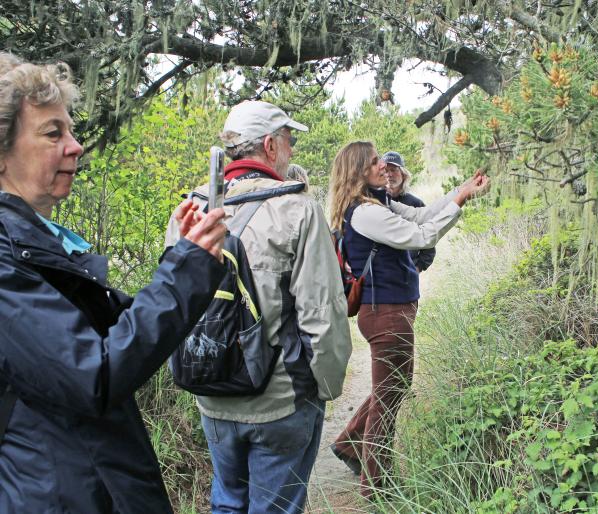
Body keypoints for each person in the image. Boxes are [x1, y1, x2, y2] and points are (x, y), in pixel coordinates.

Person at [0, 53, 227, 513]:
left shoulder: (40, 240)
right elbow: (95, 373)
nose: (76, 145)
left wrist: (179, 257)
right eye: (52, 133)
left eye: (70, 129)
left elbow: (110, 335)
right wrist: (185, 270)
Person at [165, 100, 352, 514]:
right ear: (269, 146)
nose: (292, 150)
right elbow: (323, 313)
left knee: (227, 503)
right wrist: (325, 386)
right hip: (280, 399)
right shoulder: (298, 210)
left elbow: (172, 304)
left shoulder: (189, 210)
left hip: (210, 393)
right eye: (289, 140)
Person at [327, 141, 489, 499]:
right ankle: (378, 488)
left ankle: (349, 444)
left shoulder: (377, 203)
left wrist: (460, 191)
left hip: (391, 308)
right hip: (384, 312)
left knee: (394, 387)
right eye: (374, 162)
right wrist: (460, 203)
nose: (383, 165)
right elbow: (421, 235)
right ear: (358, 172)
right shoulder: (365, 213)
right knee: (389, 397)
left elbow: (421, 215)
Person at [381, 150, 436, 273]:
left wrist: (417, 268)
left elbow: (430, 240)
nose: (389, 174)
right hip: (382, 275)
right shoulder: (376, 203)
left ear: (403, 174)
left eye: (394, 170)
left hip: (407, 274)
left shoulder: (416, 204)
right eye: (385, 170)